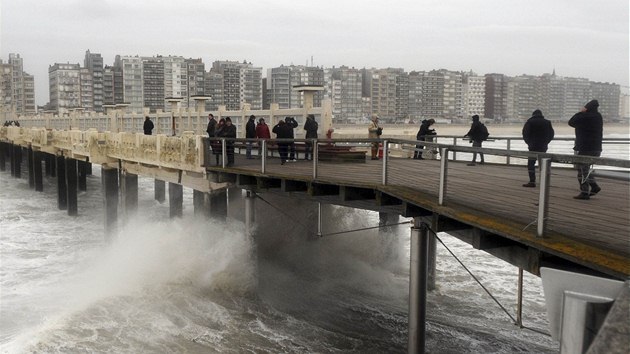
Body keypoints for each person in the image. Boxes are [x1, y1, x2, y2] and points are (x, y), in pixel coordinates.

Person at [568, 100, 603, 200]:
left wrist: (581, 112)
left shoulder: (585, 116)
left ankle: (584, 192)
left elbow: (571, 122)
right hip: (596, 148)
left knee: (581, 170)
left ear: (587, 108)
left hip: (585, 147)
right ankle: (594, 186)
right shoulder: (597, 116)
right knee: (585, 169)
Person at [522, 109, 555, 187]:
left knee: (531, 164)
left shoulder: (530, 122)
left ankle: (532, 181)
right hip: (543, 146)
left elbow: (525, 134)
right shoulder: (547, 122)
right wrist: (546, 142)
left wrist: (529, 143)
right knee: (543, 164)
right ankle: (543, 181)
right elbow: (551, 134)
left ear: (533, 115)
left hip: (532, 146)